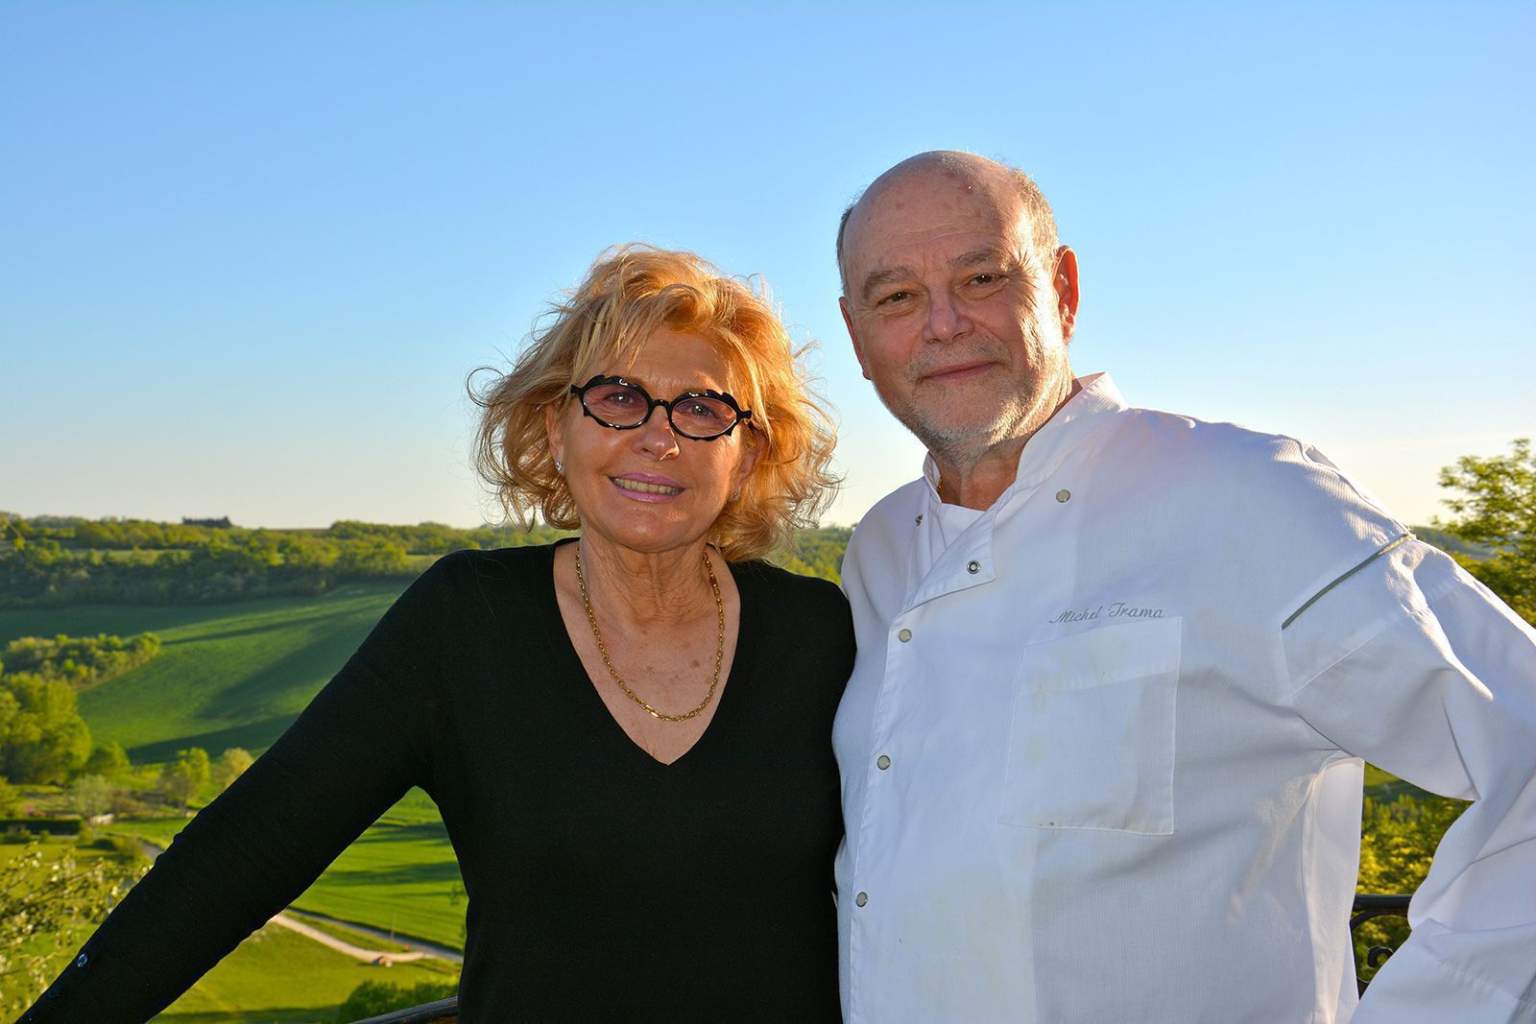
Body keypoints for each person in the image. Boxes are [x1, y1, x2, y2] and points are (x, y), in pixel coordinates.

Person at [21, 246, 852, 1023]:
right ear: (554, 428)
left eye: (703, 407)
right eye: (617, 396)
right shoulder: (468, 623)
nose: (657, 433)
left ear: (748, 453)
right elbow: (248, 849)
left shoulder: (824, 635)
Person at [831, 151, 1536, 1023]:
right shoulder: (877, 552)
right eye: (895, 296)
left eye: (981, 276)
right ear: (858, 337)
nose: (942, 322)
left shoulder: (1249, 498)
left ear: (1063, 289)